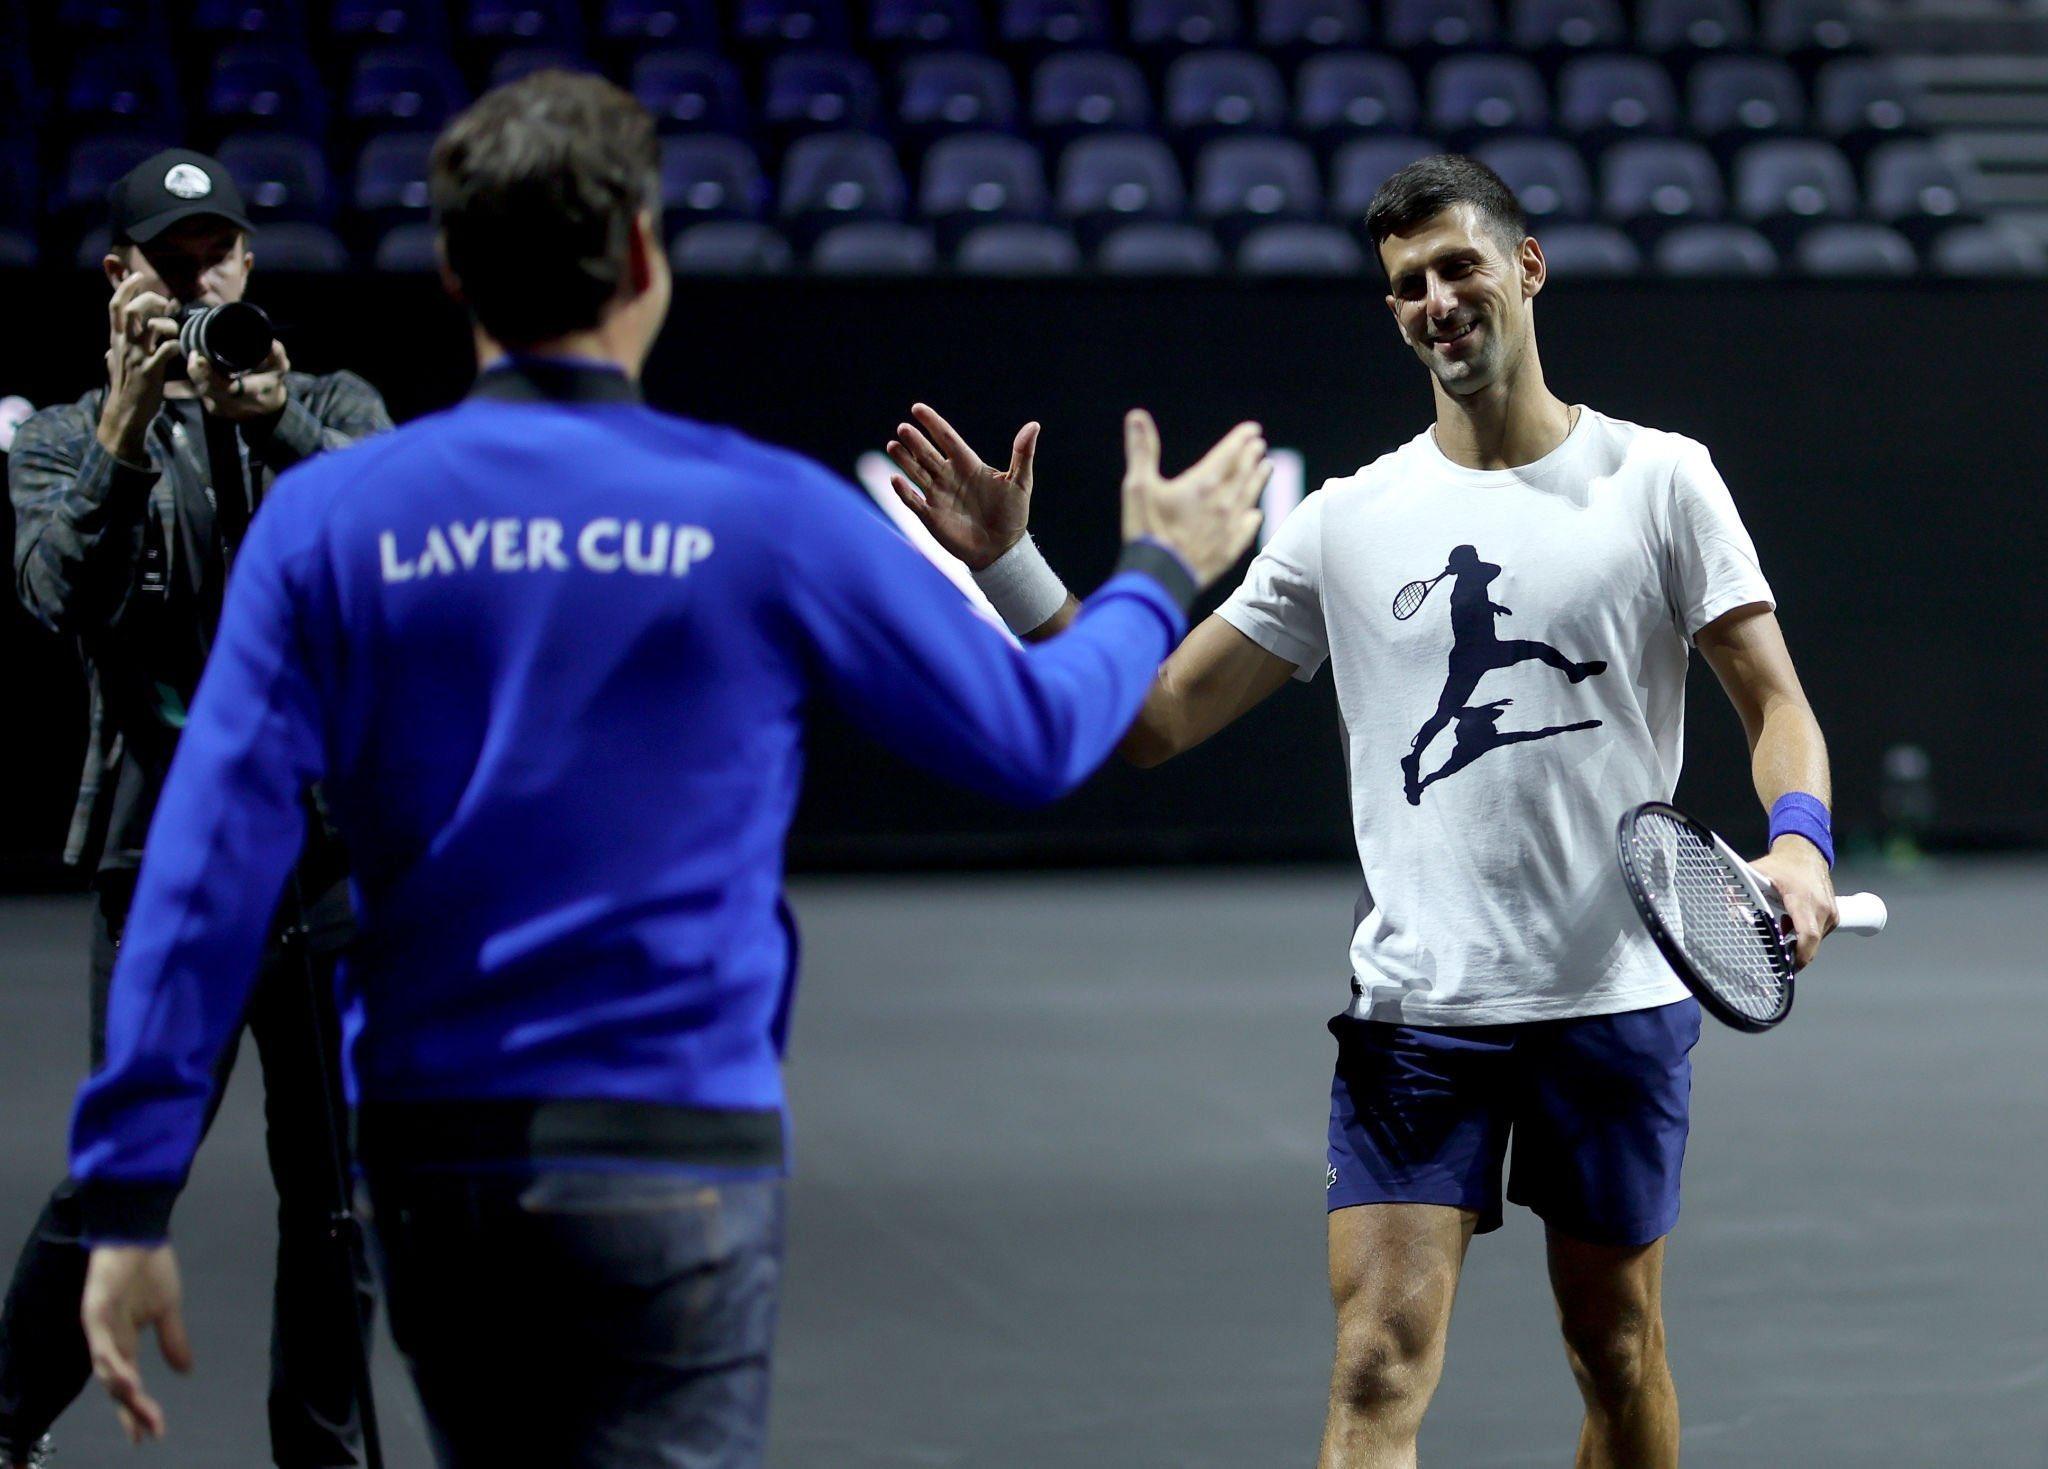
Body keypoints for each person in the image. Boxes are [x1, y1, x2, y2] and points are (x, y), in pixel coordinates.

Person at [65, 72, 1269, 1468]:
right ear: (644, 258)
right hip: (674, 1155)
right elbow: (1039, 734)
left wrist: (131, 1188)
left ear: (455, 272)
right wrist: (1155, 574)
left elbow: (207, 862)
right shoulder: (761, 510)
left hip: (428, 1162)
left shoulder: (330, 518)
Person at [883, 154, 1842, 1468]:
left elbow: (1774, 701)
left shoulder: (1662, 479)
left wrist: (1798, 840)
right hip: (1416, 1016)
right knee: (1378, 1354)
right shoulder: (1345, 522)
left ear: (1528, 266)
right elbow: (1156, 717)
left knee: (1616, 1344)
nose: (1436, 301)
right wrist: (1012, 564)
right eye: (1407, 285)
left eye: (1459, 267)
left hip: (1615, 1004)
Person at [3, 148, 390, 1469]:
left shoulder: (328, 404)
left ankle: (324, 1455)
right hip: (163, 851)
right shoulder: (62, 433)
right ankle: (2, 1418)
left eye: (216, 253)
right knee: (129, 1163)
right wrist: (126, 416)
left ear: (248, 265)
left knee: (335, 1188)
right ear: (120, 279)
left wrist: (269, 414)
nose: (198, 277)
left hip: (326, 847)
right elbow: (58, 592)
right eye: (169, 262)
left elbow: (396, 537)